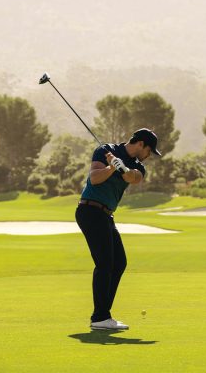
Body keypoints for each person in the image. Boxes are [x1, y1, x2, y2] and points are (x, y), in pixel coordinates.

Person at [75, 128, 161, 330]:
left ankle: (103, 315)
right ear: (140, 144)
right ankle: (100, 317)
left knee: (119, 263)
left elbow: (134, 178)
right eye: (149, 150)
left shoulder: (138, 165)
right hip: (90, 210)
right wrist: (111, 168)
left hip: (106, 215)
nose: (149, 155)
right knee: (105, 263)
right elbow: (94, 178)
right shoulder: (105, 150)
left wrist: (122, 167)